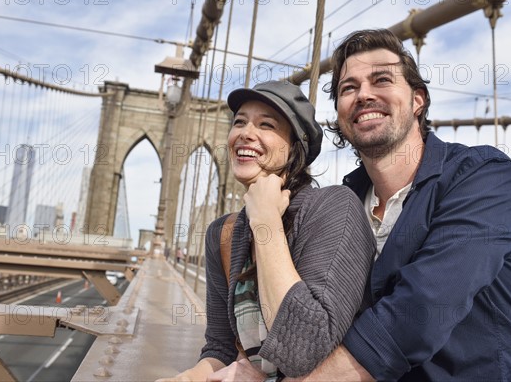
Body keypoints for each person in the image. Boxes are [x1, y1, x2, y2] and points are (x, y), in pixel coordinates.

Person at [213, 29, 511, 381]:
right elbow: (313, 330)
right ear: (340, 115)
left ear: (417, 100)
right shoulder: (341, 205)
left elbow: (420, 312)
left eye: (381, 80)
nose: (364, 95)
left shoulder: (481, 177)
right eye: (349, 88)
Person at [159, 80, 376, 381]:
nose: (246, 133)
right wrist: (185, 378)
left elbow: (302, 351)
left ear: (295, 147)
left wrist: (265, 223)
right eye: (239, 122)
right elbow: (221, 348)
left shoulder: (334, 209)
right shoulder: (222, 234)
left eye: (267, 125)